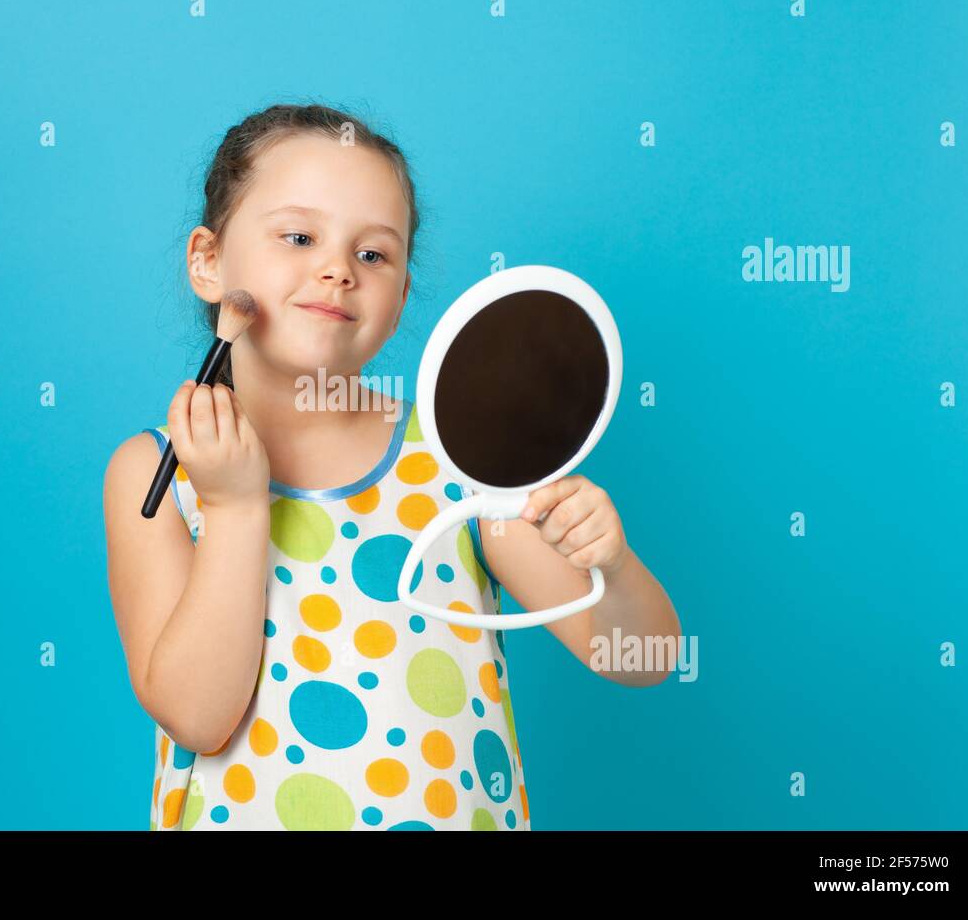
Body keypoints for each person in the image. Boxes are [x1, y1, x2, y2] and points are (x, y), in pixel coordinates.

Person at [103, 103, 679, 830]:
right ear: (209, 262)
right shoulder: (156, 474)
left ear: (402, 296)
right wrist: (234, 506)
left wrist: (614, 564)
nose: (337, 270)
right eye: (300, 236)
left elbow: (643, 656)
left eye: (373, 254)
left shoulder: (460, 456)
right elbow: (197, 715)